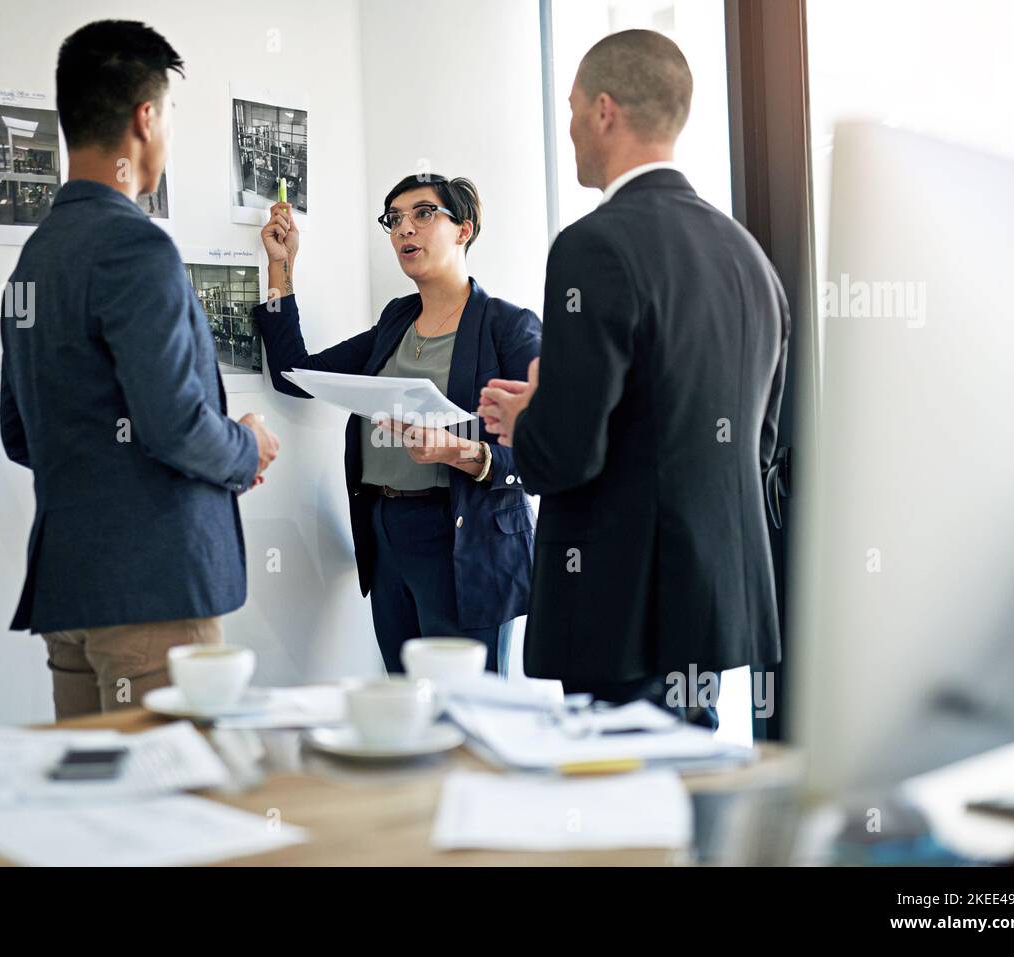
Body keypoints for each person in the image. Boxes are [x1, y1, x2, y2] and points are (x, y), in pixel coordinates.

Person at [479, 30, 790, 728]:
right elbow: (752, 440)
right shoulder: (749, 259)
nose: (569, 128)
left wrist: (528, 419)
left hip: (616, 607)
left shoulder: (593, 246)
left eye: (572, 108)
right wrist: (555, 402)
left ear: (605, 112)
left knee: (622, 816)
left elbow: (566, 453)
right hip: (708, 605)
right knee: (683, 804)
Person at [0, 20, 280, 719]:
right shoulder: (136, 247)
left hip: (71, 591)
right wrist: (247, 445)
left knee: (98, 815)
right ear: (145, 117)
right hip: (152, 598)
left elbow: (18, 433)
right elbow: (172, 424)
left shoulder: (34, 260)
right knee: (171, 811)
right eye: (171, 115)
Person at [253, 174, 541, 675]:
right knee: (407, 703)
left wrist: (463, 452)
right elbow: (294, 375)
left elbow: (545, 448)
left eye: (424, 213)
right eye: (394, 219)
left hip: (463, 539)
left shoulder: (508, 327)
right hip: (386, 532)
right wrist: (281, 265)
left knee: (466, 711)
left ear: (463, 229)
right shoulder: (396, 320)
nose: (405, 228)